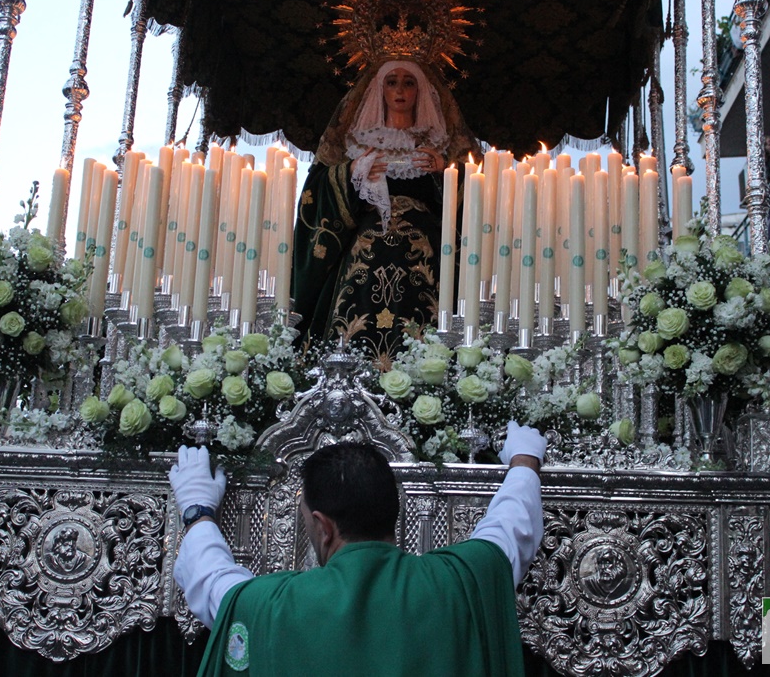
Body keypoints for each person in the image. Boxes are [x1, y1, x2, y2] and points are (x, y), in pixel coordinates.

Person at [171, 421, 545, 676]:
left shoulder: (274, 606)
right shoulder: (459, 581)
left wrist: (198, 510)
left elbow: (213, 580)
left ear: (323, 527)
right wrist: (525, 460)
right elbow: (510, 530)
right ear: (394, 513)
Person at [291, 58, 477, 363]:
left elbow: (473, 200)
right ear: (380, 90)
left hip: (426, 261)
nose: (400, 90)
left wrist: (445, 173)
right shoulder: (355, 144)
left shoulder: (440, 146)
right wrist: (351, 171)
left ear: (422, 91)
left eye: (408, 82)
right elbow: (316, 191)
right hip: (362, 259)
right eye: (392, 82)